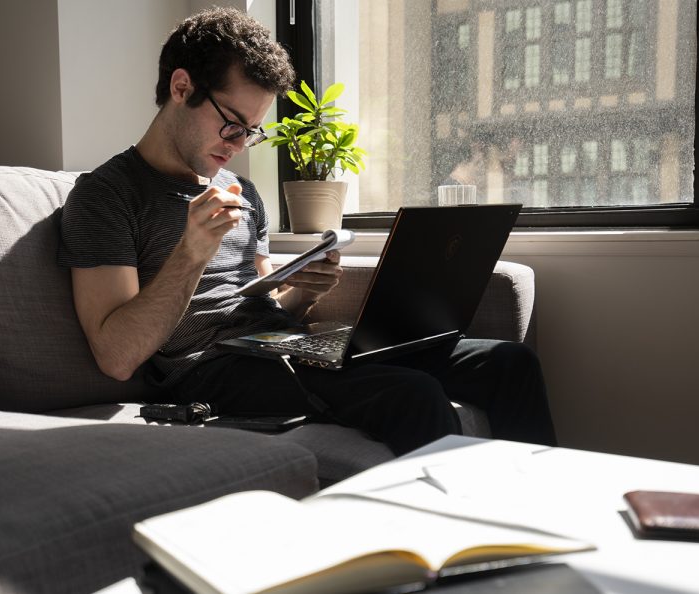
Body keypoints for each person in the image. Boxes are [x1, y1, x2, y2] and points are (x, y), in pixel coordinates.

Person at [58, 7, 556, 456]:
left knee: (508, 363)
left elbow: (264, 305)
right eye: (232, 123)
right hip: (206, 371)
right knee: (411, 393)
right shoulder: (107, 195)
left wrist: (304, 291)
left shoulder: (241, 191)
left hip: (278, 345)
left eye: (252, 130)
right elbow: (117, 356)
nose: (238, 144)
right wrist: (191, 253)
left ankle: (551, 526)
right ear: (182, 87)